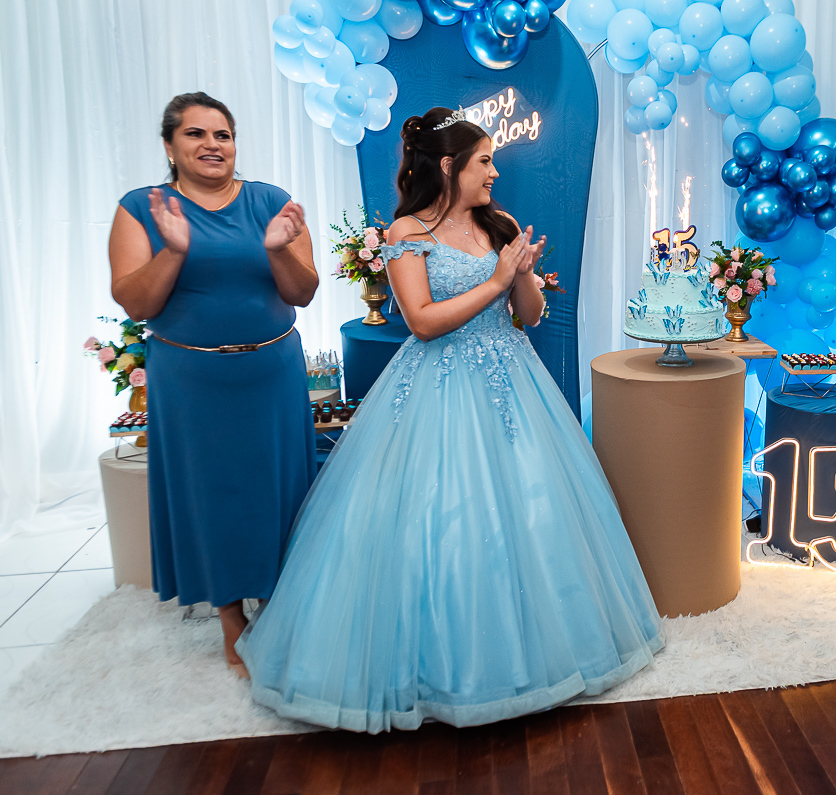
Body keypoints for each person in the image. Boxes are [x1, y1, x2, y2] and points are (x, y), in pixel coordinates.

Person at [236, 106, 664, 731]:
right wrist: (495, 280)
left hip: (512, 378)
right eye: (484, 161)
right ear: (448, 165)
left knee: (531, 513)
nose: (494, 172)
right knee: (436, 518)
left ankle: (540, 656)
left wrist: (521, 276)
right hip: (435, 383)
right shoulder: (406, 231)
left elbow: (530, 316)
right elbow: (422, 321)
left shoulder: (501, 224)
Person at [108, 92, 318, 677]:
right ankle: (232, 621)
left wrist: (277, 250)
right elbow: (137, 302)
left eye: (222, 134)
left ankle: (280, 608)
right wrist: (174, 251)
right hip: (191, 382)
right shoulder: (141, 208)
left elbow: (302, 292)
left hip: (271, 374)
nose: (211, 144)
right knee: (210, 496)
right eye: (195, 134)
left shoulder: (270, 202)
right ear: (169, 145)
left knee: (280, 492)